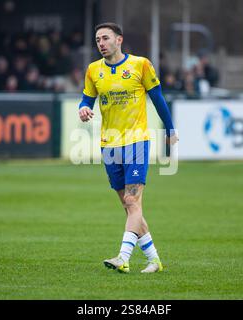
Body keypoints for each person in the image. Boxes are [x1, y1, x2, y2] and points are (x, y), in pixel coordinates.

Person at [78, 22, 178, 273]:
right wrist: (83, 108)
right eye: (98, 39)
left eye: (105, 38)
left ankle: (123, 258)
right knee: (129, 206)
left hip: (136, 142)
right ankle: (154, 260)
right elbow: (86, 98)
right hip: (109, 145)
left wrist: (170, 129)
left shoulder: (140, 65)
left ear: (119, 40)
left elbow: (158, 99)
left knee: (133, 201)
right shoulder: (93, 70)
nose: (101, 43)